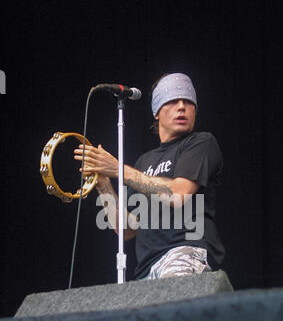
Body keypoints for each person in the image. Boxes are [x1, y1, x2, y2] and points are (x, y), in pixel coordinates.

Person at [74, 73, 225, 280]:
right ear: (157, 111)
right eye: (172, 101)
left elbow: (179, 194)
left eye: (188, 102)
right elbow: (127, 229)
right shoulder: (144, 162)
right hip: (146, 267)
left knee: (169, 306)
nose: (181, 107)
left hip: (184, 252)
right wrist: (103, 183)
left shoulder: (201, 142)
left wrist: (118, 169)